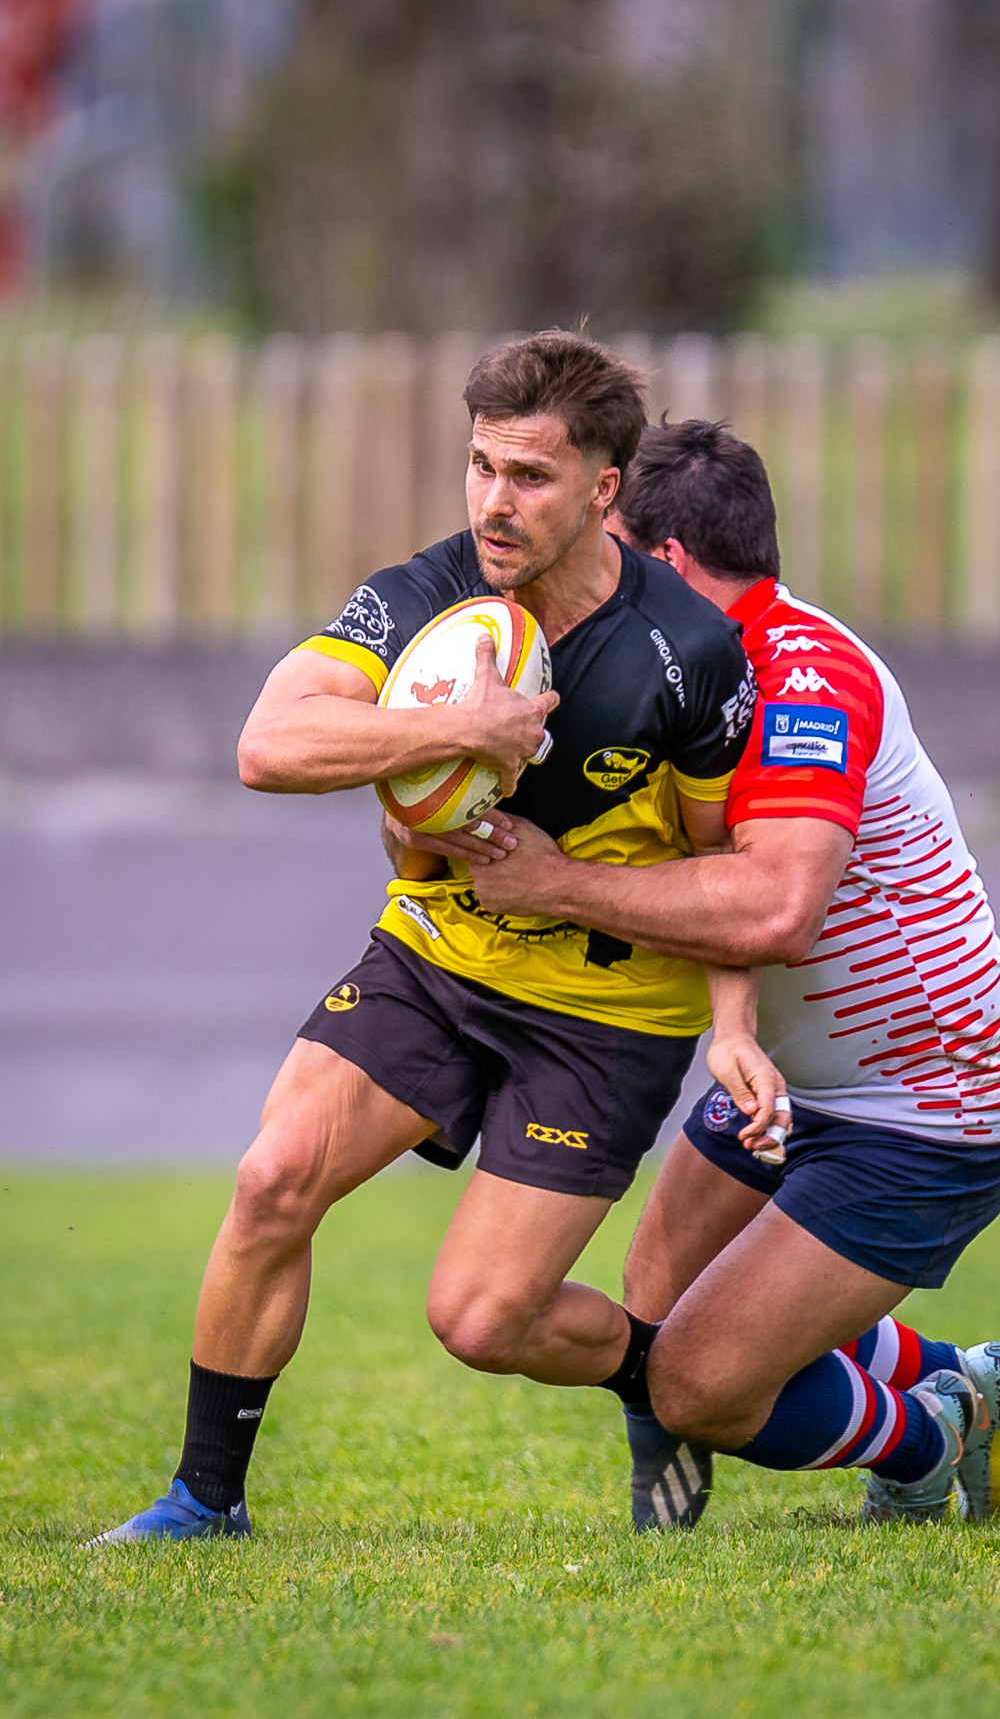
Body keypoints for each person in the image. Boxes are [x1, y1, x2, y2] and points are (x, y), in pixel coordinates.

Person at [91, 334, 758, 1544]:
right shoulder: (422, 596)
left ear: (605, 490)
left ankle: (649, 1378)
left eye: (532, 477)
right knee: (271, 1181)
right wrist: (460, 728)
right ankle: (204, 1501)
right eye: (481, 467)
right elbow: (269, 747)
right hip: (438, 952)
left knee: (483, 1321)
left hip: (604, 1010)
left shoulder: (688, 654)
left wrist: (733, 1030)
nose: (496, 503)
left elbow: (724, 869)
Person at [465, 420, 1000, 1532]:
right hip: (796, 1081)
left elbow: (776, 908)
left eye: (612, 549)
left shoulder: (802, 681)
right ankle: (955, 1370)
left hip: (934, 1106)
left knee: (693, 1381)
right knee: (657, 1302)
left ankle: (936, 1432)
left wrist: (552, 887)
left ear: (670, 563)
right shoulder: (695, 669)